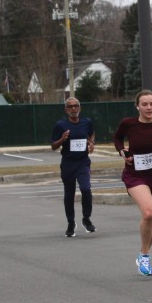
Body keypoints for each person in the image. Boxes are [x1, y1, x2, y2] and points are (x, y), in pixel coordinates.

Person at [113, 90, 152, 276]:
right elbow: (117, 138)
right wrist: (122, 152)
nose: (149, 107)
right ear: (137, 106)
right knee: (149, 213)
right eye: (145, 104)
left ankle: (143, 254)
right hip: (135, 175)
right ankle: (146, 258)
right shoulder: (128, 123)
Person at [50, 97, 95, 237]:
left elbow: (91, 133)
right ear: (66, 110)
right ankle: (71, 223)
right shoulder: (61, 125)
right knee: (69, 194)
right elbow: (53, 146)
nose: (73, 109)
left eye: (76, 106)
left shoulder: (86, 122)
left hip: (83, 162)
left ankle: (86, 218)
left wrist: (91, 143)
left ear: (79, 108)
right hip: (68, 163)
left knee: (86, 189)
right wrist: (62, 139)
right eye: (70, 106)